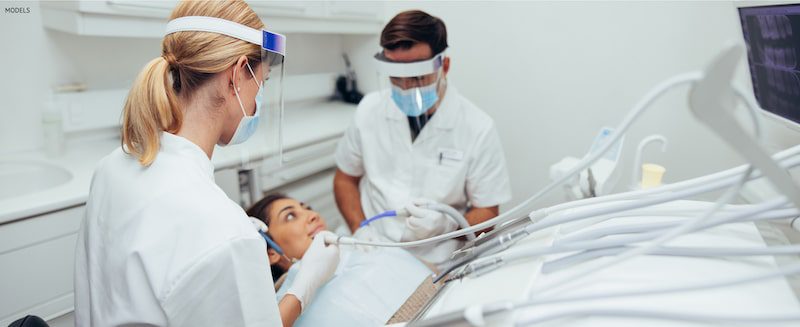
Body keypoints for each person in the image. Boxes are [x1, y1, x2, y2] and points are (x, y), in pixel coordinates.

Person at [73, 1, 339, 326]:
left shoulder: (112, 168)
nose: (258, 101)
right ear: (238, 74)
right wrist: (304, 284)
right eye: (262, 82)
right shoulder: (224, 231)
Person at [334, 10, 512, 263]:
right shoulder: (369, 110)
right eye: (397, 78)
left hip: (437, 260)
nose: (406, 88)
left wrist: (448, 225)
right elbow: (345, 179)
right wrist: (360, 227)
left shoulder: (478, 127)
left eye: (417, 78)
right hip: (371, 248)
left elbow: (488, 212)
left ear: (444, 66)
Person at [247, 194, 431, 326]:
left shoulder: (365, 251)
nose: (313, 215)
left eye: (307, 208)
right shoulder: (277, 312)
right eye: (290, 216)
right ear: (271, 253)